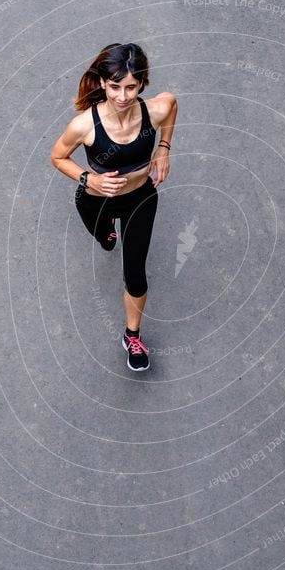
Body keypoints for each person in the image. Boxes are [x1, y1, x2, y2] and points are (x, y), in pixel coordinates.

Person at [50, 43, 178, 371]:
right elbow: (58, 157)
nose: (122, 96)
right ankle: (107, 233)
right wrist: (88, 179)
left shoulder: (154, 111)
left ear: (142, 85)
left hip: (140, 199)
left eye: (131, 87)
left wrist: (163, 148)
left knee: (135, 275)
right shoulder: (84, 125)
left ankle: (132, 335)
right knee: (105, 239)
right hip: (96, 202)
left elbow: (172, 103)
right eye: (115, 87)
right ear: (103, 84)